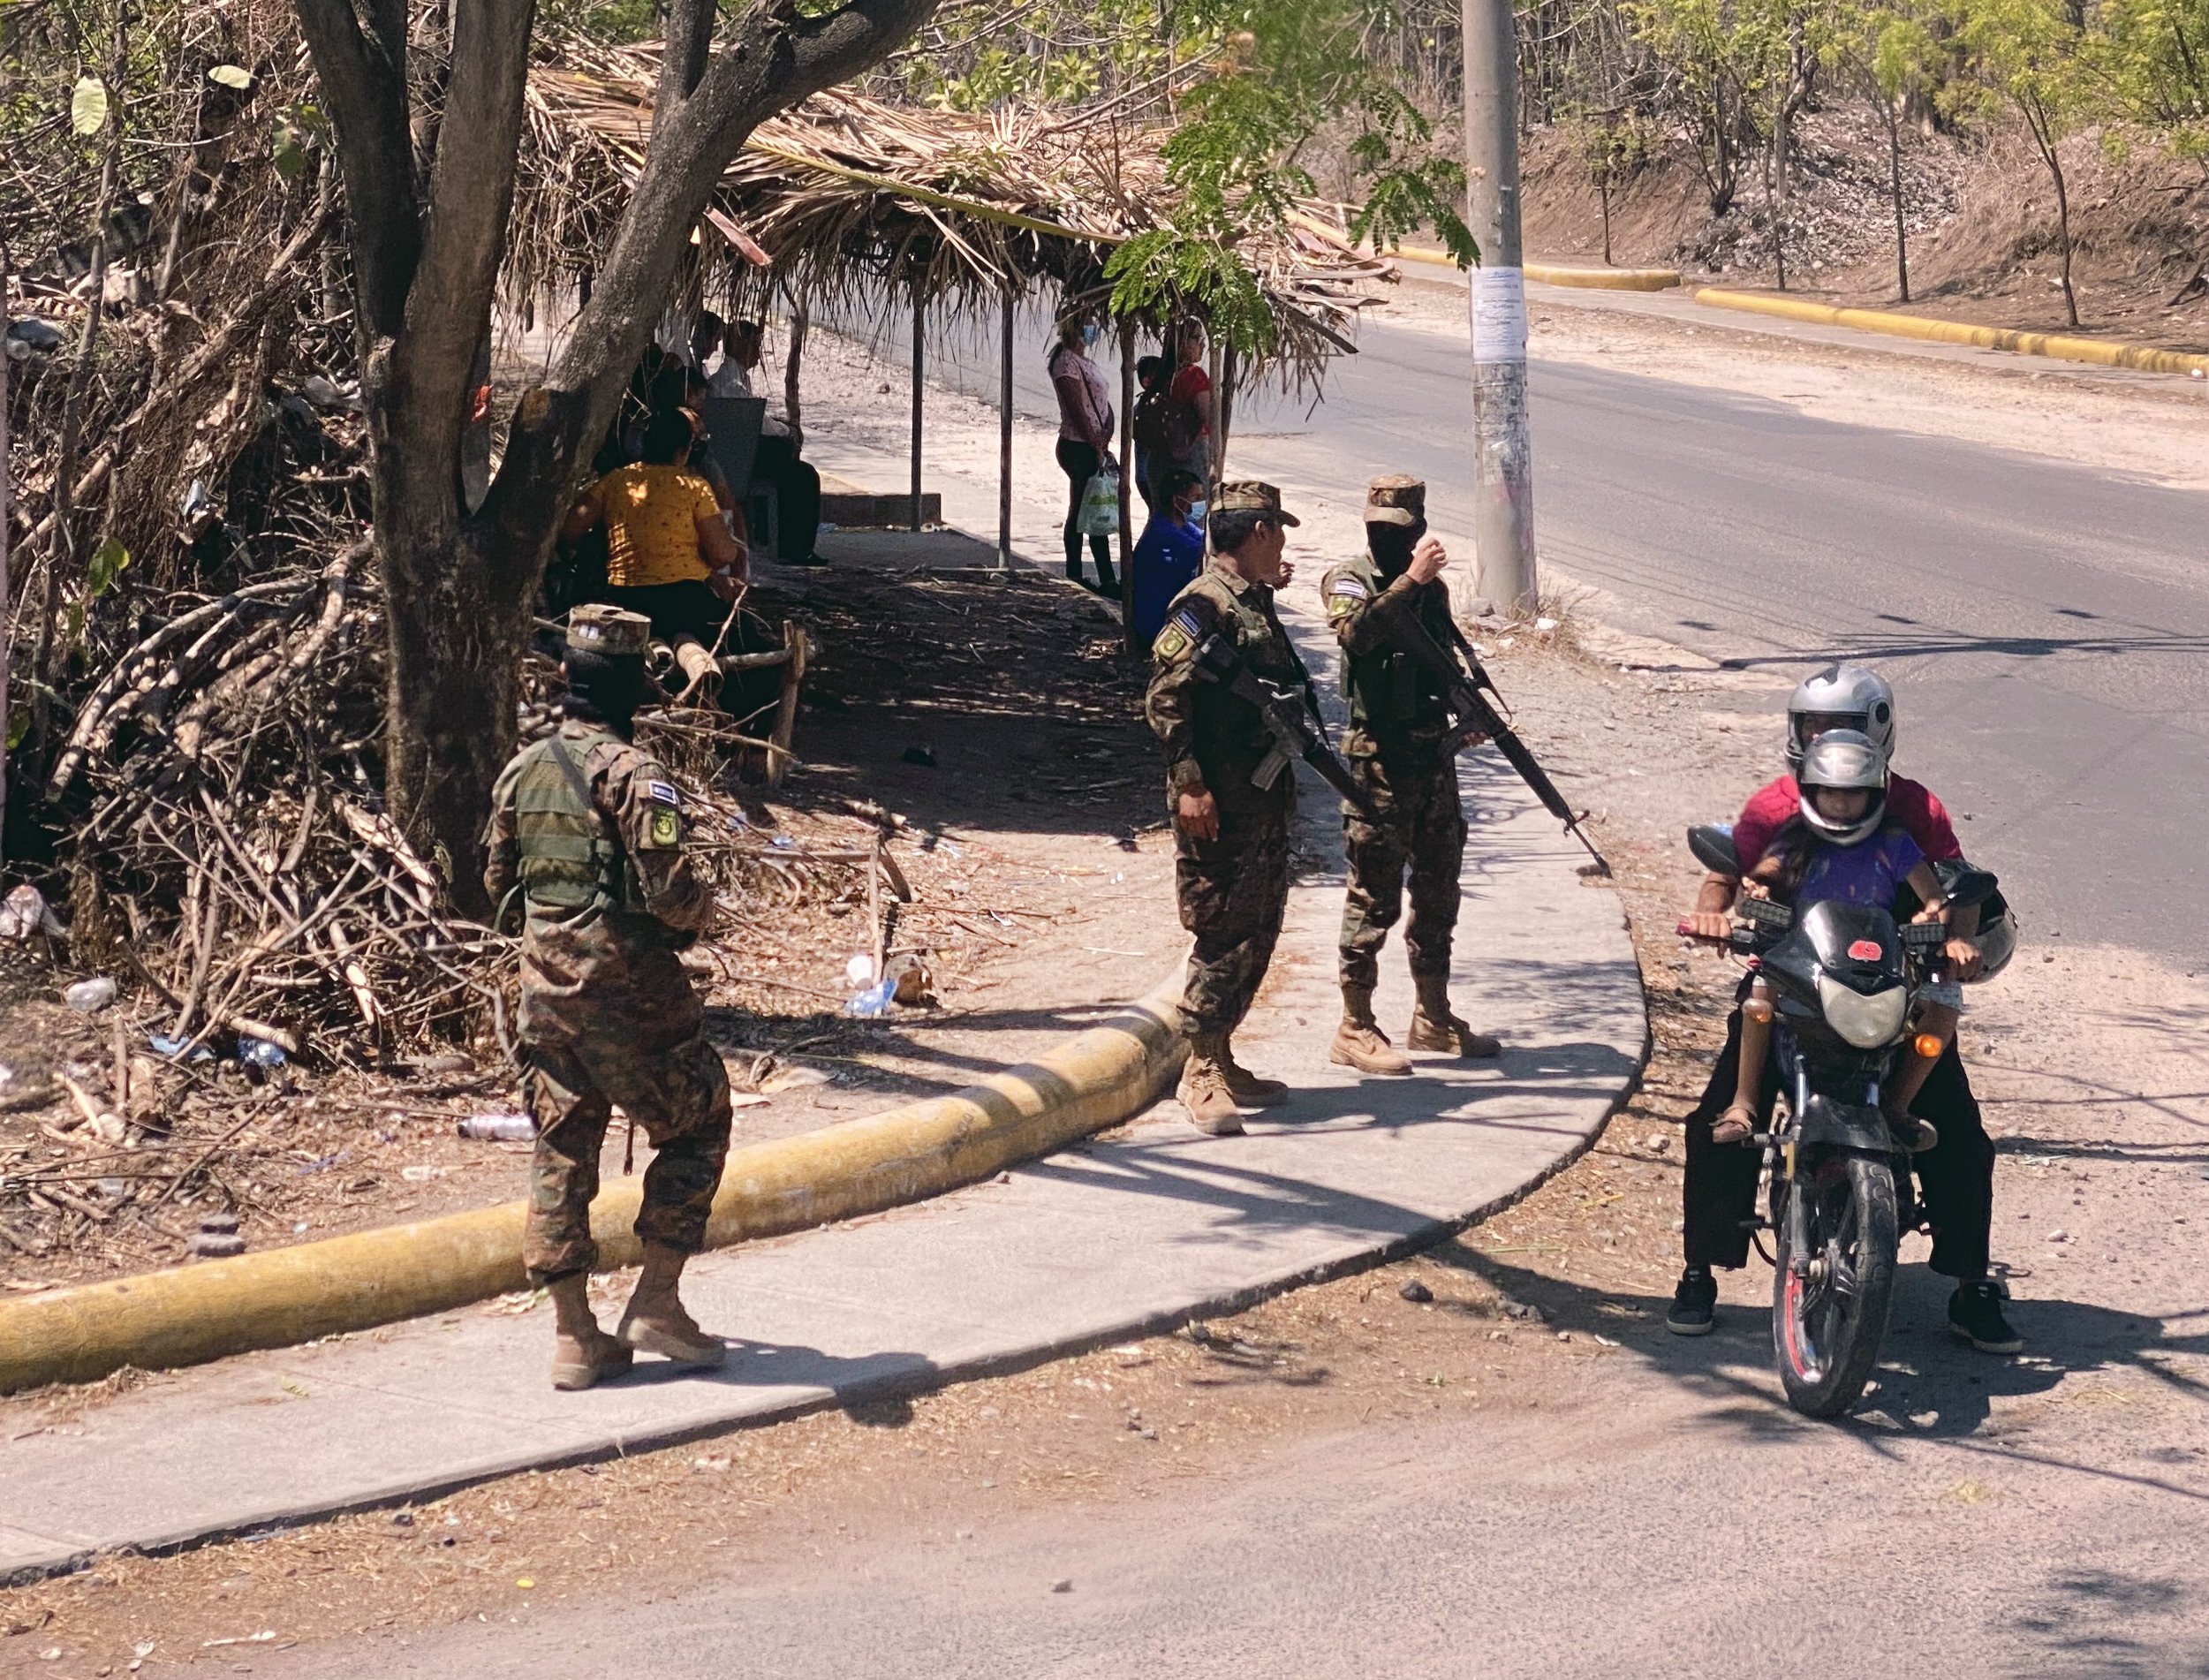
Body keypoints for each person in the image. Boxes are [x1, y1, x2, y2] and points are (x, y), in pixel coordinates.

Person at [1668, 664, 2016, 1354]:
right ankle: (1698, 1270)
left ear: (1879, 733)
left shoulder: (1912, 807)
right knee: (1717, 1115)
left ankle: (1970, 1283)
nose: (1824, 741)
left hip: (1892, 981)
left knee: (1955, 1127)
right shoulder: (1775, 803)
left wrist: (1951, 942)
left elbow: (1954, 885)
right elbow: (1727, 870)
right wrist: (1710, 916)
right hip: (1794, 975)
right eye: (1811, 726)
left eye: (1843, 727)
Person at [482, 606, 733, 1391]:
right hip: (630, 995)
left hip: (543, 994)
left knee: (561, 1149)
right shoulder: (634, 777)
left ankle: (573, 1338)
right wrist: (702, 913)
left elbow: (496, 885)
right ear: (635, 687)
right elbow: (671, 896)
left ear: (566, 680)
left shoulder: (523, 769)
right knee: (699, 1122)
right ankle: (655, 1302)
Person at [1145, 481, 1312, 1136]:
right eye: (1279, 533)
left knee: (1259, 927)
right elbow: (1163, 699)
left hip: (1260, 797)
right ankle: (1200, 1069)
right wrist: (1190, 785)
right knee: (1220, 931)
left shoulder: (1248, 603)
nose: (1284, 546)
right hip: (1217, 802)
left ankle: (1225, 1051)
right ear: (1260, 531)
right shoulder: (1202, 605)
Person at [1320, 476, 1500, 1075]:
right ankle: (1354, 1026)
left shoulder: (1433, 593)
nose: (1385, 538)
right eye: (1376, 528)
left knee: (1437, 890)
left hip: (1432, 759)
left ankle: (1432, 1015)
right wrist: (1408, 581)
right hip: (1378, 762)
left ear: (1419, 530)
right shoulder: (1349, 579)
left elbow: (1440, 662)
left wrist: (1465, 713)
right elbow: (1356, 635)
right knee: (1372, 897)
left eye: (1397, 531)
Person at [1713, 730, 1956, 1150]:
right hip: (1808, 957)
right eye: (1829, 792)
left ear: (1876, 793)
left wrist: (1935, 918)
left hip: (1878, 959)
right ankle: (1743, 1104)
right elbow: (1762, 876)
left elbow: (1934, 896)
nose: (1841, 804)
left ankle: (1897, 1106)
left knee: (1944, 1005)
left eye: (1854, 793)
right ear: (1810, 791)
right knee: (1760, 992)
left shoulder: (1895, 844)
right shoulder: (1794, 838)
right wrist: (1756, 890)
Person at [562, 407, 745, 649]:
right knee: (743, 636)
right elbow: (722, 554)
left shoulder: (616, 481)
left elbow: (570, 530)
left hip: (625, 601)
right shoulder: (693, 487)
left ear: (645, 444)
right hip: (686, 604)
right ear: (684, 451)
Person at [711, 318, 826, 568]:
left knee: (798, 471)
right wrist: (787, 430)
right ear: (741, 346)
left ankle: (794, 544)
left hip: (741, 454)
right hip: (738, 461)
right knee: (803, 477)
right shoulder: (730, 382)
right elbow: (754, 421)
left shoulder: (736, 378)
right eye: (755, 346)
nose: (758, 354)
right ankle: (796, 547)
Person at [1048, 314, 1119, 596]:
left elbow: (1102, 404)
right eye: (1089, 325)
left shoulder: (1083, 361)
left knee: (1092, 509)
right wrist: (1096, 444)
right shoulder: (1066, 362)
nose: (1095, 330)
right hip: (1079, 445)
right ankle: (1081, 575)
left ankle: (1101, 576)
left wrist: (1106, 434)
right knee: (1083, 511)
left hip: (1093, 443)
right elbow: (1077, 409)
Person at [1128, 466, 1206, 649]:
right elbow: (1204, 550)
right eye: (1195, 498)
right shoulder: (1163, 532)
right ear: (1176, 500)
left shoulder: (1182, 526)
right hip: (1157, 623)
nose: (1200, 503)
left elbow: (1203, 538)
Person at [1161, 320, 1213, 493]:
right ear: (1181, 342)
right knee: (1192, 512)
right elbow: (1209, 417)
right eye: (1196, 339)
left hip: (1160, 457)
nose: (1203, 345)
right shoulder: (1193, 375)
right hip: (1190, 452)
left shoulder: (1163, 374)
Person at [1131, 354, 1168, 507]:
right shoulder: (1149, 407)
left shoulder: (1146, 404)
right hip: (1150, 477)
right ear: (1146, 381)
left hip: (1146, 476)